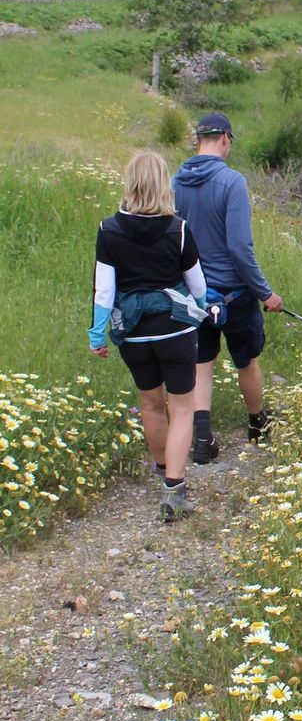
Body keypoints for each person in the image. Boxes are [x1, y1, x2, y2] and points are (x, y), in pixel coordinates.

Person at [88, 151, 207, 522]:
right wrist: (205, 308)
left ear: (130, 183)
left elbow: (104, 293)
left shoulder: (109, 230)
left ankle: (163, 469)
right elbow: (198, 286)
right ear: (162, 184)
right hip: (176, 329)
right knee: (182, 407)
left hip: (134, 334)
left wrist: (96, 335)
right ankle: (175, 488)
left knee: (150, 404)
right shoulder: (179, 229)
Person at [173, 112, 283, 464]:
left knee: (202, 363)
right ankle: (257, 424)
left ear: (197, 140)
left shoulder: (176, 181)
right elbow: (239, 248)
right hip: (235, 294)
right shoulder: (232, 182)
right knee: (247, 361)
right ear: (224, 139)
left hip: (193, 292)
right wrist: (265, 292)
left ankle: (202, 440)